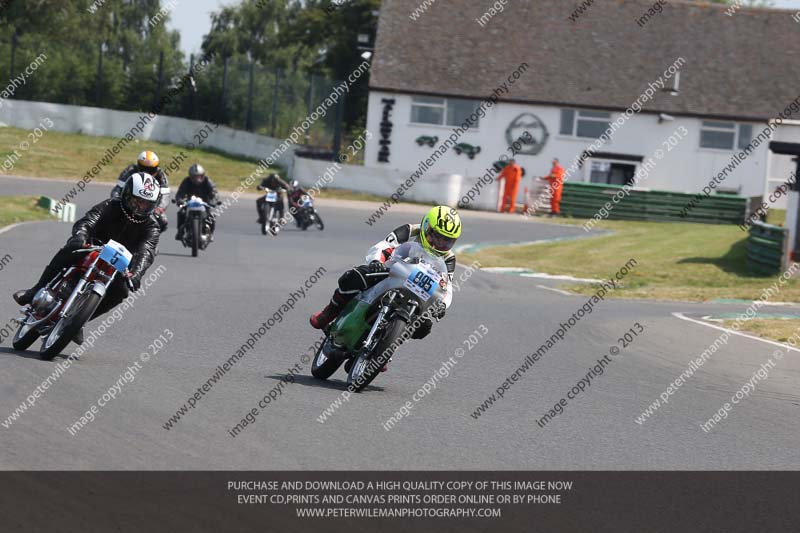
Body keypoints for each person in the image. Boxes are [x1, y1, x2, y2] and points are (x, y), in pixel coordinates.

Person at [12, 173, 160, 344]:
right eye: (137, 201)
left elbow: (146, 252)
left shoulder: (151, 226)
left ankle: (79, 323)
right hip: (93, 246)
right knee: (70, 250)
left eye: (146, 204)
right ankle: (34, 291)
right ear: (127, 195)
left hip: (119, 264)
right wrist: (80, 236)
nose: (140, 207)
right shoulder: (110, 205)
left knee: (122, 291)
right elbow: (87, 221)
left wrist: (136, 273)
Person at [310, 206, 462, 370]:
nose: (440, 243)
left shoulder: (448, 258)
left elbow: (447, 286)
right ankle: (329, 312)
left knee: (424, 325)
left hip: (419, 289)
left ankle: (388, 349)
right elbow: (382, 246)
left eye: (447, 240)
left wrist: (442, 305)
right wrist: (376, 262)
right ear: (426, 227)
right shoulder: (410, 231)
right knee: (354, 276)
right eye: (437, 237)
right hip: (391, 272)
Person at [111, 151, 170, 232]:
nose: (147, 172)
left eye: (151, 169)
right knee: (110, 210)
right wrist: (117, 201)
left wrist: (159, 209)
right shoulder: (130, 170)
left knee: (163, 221)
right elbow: (117, 189)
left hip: (149, 206)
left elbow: (165, 195)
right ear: (138, 165)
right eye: (144, 169)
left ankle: (150, 236)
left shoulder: (161, 175)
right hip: (129, 202)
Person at [174, 164, 220, 240]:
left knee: (211, 216)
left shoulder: (207, 181)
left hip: (204, 204)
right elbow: (180, 193)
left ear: (202, 176)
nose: (197, 179)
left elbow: (214, 192)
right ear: (190, 176)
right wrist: (180, 200)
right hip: (190, 203)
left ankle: (210, 233)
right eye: (194, 177)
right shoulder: (186, 181)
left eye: (199, 176)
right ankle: (180, 232)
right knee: (181, 213)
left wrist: (213, 201)